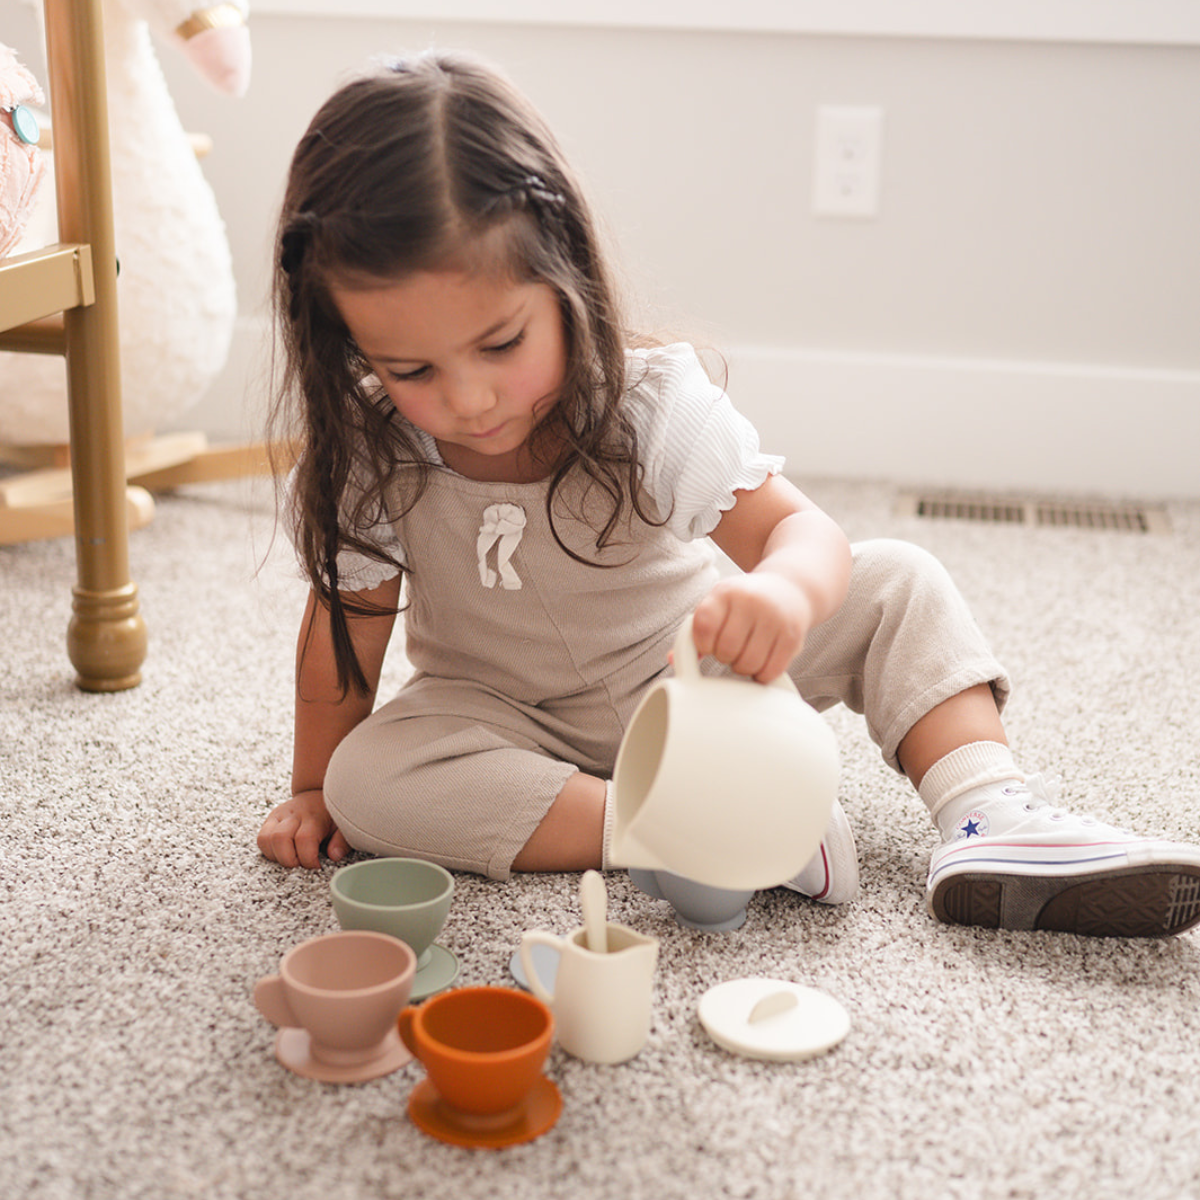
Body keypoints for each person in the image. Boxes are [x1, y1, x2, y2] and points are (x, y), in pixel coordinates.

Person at [256, 51, 1200, 938]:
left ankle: (986, 812)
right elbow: (341, 644)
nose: (468, 400)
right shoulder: (372, 458)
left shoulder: (646, 405)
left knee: (897, 581)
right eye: (411, 367)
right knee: (370, 779)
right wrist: (311, 790)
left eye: (501, 344)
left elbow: (801, 531)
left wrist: (782, 594)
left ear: (565, 277)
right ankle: (691, 827)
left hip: (697, 684)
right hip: (499, 716)